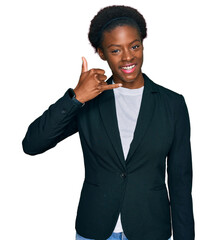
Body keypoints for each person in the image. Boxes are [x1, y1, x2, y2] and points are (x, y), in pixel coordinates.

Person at [22, 5, 195, 240]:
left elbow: (180, 183)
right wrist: (76, 98)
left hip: (150, 230)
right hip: (95, 229)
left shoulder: (172, 104)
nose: (128, 57)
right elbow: (32, 144)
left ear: (143, 44)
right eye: (115, 50)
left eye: (134, 46)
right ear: (101, 53)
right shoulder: (90, 101)